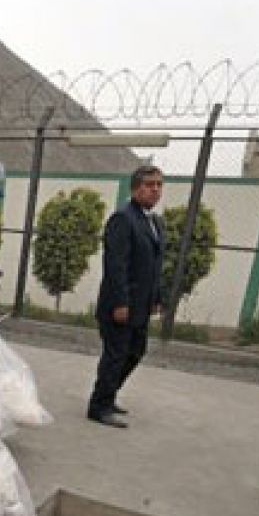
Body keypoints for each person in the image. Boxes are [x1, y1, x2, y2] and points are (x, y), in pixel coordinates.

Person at [87, 165, 166, 429]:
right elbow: (115, 265)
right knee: (116, 354)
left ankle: (107, 396)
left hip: (141, 305)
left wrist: (156, 298)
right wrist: (120, 303)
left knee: (136, 351)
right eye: (149, 184)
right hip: (121, 305)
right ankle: (99, 407)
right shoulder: (123, 218)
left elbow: (154, 265)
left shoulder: (153, 221)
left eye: (159, 185)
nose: (155, 189)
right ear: (135, 188)